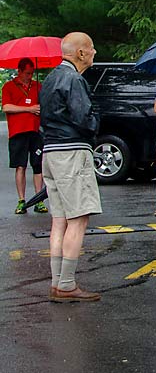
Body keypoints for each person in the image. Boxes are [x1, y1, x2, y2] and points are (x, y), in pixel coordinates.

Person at [39, 32, 102, 302]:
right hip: (72, 151)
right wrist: (96, 121)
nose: (94, 52)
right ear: (80, 53)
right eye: (91, 48)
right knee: (78, 218)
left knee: (59, 220)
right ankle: (66, 285)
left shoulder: (50, 78)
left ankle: (57, 282)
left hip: (51, 153)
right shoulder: (74, 79)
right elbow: (85, 120)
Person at [2, 58, 47, 214]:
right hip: (18, 132)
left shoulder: (37, 86)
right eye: (27, 73)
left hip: (35, 131)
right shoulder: (9, 87)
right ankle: (21, 200)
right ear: (19, 71)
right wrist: (29, 109)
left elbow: (45, 104)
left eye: (32, 73)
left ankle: (38, 200)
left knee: (38, 165)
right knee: (20, 165)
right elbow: (7, 107)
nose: (29, 76)